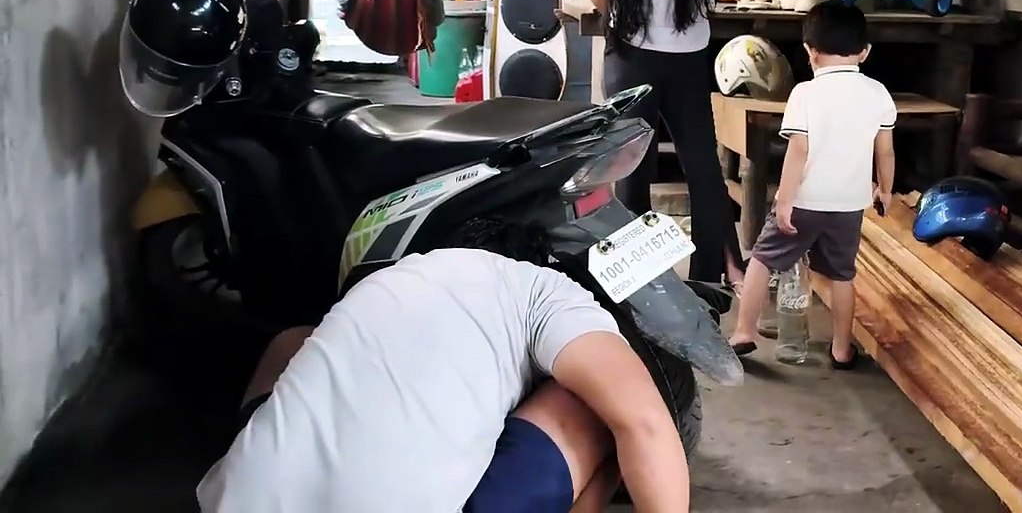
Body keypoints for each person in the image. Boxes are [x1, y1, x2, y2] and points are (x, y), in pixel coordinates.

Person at [195, 219, 690, 513]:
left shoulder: (396, 276)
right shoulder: (546, 290)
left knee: (294, 343)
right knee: (595, 405)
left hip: (231, 503)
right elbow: (645, 423)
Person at [585, 0, 745, 290]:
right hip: (633, 58)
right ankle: (639, 287)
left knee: (705, 171)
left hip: (689, 57)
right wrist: (629, 23)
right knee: (633, 173)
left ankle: (708, 284)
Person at [726, 2, 896, 369]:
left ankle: (743, 332)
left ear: (810, 51)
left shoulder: (805, 93)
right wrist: (885, 190)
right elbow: (885, 150)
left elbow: (798, 151)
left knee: (762, 260)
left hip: (805, 201)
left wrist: (785, 200)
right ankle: (841, 350)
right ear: (865, 52)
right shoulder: (878, 93)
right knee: (842, 276)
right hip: (849, 205)